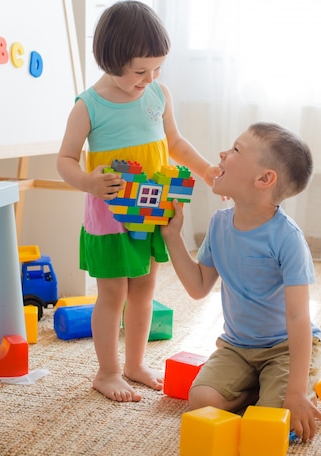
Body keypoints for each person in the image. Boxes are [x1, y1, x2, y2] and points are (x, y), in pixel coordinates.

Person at [56, 1, 219, 403]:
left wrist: (207, 170)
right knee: (112, 293)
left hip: (152, 211)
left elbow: (175, 143)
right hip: (111, 217)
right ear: (111, 60)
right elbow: (64, 160)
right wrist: (88, 182)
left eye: (157, 69)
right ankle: (107, 371)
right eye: (140, 71)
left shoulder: (157, 94)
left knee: (145, 289)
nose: (149, 79)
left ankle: (134, 363)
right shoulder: (88, 105)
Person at [160, 122, 321, 442]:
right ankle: (254, 385)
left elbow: (298, 318)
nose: (223, 153)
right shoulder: (219, 224)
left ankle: (287, 386)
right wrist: (173, 237)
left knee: (274, 422)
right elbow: (198, 287)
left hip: (285, 349)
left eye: (236, 150)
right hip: (237, 347)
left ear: (265, 179)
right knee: (200, 404)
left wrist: (295, 393)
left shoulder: (288, 239)